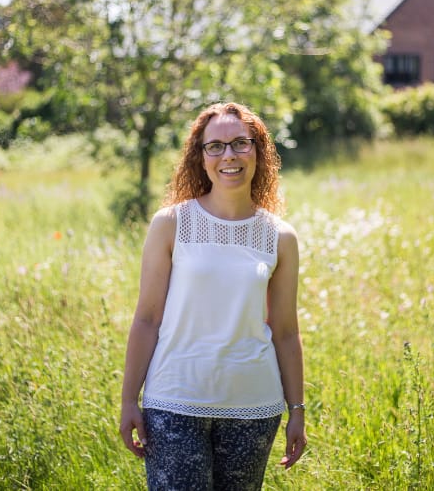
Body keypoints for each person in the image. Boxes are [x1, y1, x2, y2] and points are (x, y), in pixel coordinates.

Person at [120, 102, 307, 490]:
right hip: (173, 400)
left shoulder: (280, 236)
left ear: (258, 150)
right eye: (215, 146)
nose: (229, 156)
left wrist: (297, 410)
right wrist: (128, 401)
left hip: (253, 405)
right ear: (200, 157)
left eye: (240, 143)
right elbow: (147, 319)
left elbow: (286, 331)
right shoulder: (171, 223)